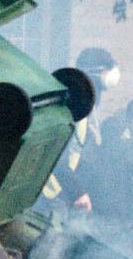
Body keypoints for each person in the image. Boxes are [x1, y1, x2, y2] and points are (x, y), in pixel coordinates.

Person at [37, 46, 120, 220]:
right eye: (108, 68)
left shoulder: (85, 105)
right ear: (97, 72)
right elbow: (58, 154)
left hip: (60, 189)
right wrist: (77, 192)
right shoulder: (77, 107)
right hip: (51, 192)